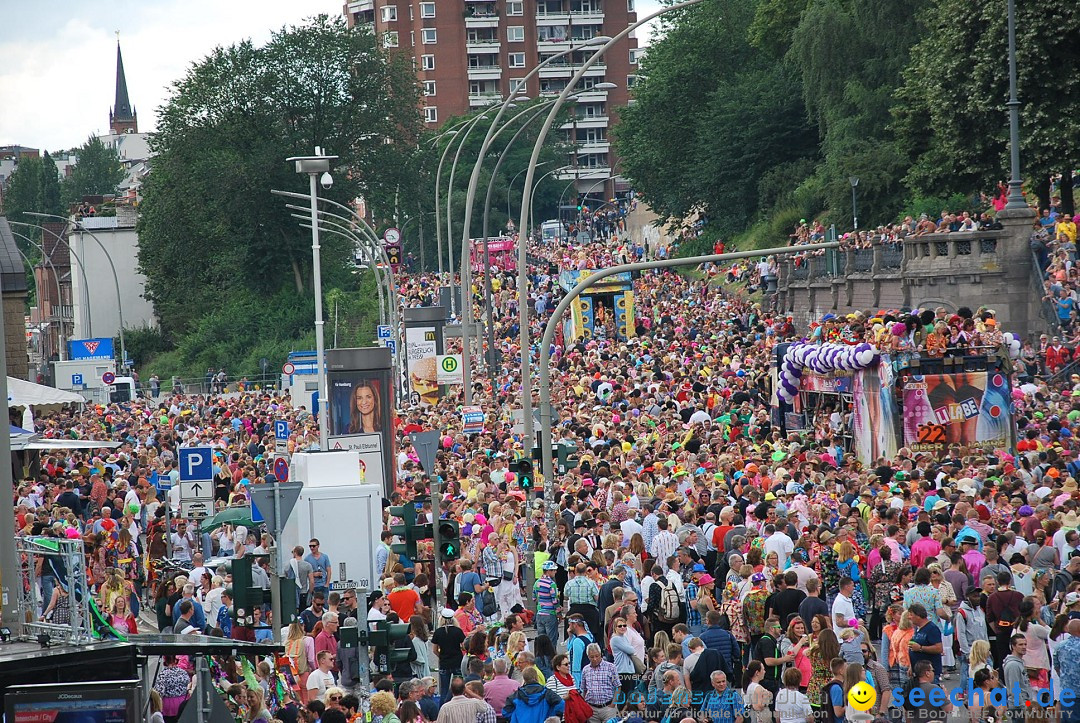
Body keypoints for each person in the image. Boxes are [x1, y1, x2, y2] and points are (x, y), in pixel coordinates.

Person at [579, 644, 619, 723]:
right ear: (588, 657)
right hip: (592, 709)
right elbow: (584, 689)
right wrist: (585, 705)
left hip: (608, 707)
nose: (595, 659)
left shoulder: (611, 667)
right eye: (592, 657)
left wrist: (613, 704)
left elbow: (618, 686)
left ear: (600, 654)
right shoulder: (585, 670)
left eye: (597, 656)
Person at [907, 603, 944, 683]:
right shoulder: (917, 628)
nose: (909, 617)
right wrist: (911, 666)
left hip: (929, 673)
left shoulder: (932, 628)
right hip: (918, 672)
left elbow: (939, 648)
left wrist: (920, 648)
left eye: (911, 615)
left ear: (918, 615)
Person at [1002, 634, 1033, 717]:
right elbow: (1014, 689)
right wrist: (1024, 708)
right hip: (1018, 707)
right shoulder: (1013, 665)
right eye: (1020, 644)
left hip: (1025, 703)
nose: (1024, 647)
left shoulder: (1020, 662)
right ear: (1013, 646)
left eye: (1025, 644)